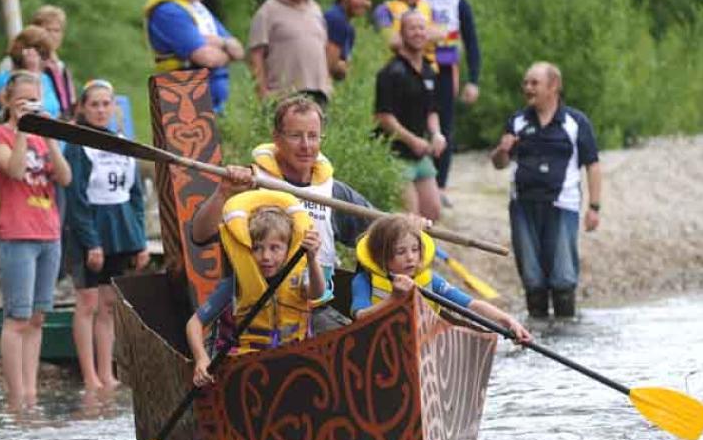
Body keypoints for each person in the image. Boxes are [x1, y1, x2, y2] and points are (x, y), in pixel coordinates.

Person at [192, 95, 373, 332]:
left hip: (313, 311)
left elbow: (383, 235)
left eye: (313, 136)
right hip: (256, 311)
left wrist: (408, 224)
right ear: (277, 138)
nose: (306, 146)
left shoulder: (334, 192)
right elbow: (200, 235)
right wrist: (222, 193)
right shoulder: (251, 182)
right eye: (296, 136)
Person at [0, 71, 72, 408]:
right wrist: (21, 129)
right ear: (7, 100)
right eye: (25, 101)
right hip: (17, 233)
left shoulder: (41, 138)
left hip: (49, 231)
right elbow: (16, 171)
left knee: (37, 318)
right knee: (17, 317)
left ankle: (31, 392)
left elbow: (65, 177)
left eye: (37, 100)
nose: (32, 106)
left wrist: (47, 135)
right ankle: (15, 396)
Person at [491, 62, 601, 319]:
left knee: (563, 277)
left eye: (534, 83)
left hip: (563, 205)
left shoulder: (576, 122)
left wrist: (594, 208)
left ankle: (566, 332)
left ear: (554, 86)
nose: (527, 88)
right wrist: (502, 149)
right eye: (526, 83)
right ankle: (536, 333)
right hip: (523, 206)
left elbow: (593, 166)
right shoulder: (517, 122)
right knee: (532, 277)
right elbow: (499, 164)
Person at [187, 191, 324, 386]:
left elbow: (317, 292)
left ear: (288, 248)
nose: (266, 256)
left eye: (274, 248)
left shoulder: (299, 278)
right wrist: (201, 359)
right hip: (247, 370)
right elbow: (194, 324)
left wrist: (312, 259)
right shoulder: (235, 285)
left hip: (293, 364)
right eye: (257, 248)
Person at [66, 79, 149, 392]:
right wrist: (91, 241)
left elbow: (137, 195)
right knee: (88, 300)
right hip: (91, 228)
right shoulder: (78, 144)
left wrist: (139, 240)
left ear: (114, 107)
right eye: (94, 105)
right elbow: (76, 196)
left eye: (106, 104)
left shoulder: (122, 141)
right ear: (83, 109)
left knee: (110, 303)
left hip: (121, 228)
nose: (101, 110)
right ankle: (90, 376)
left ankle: (107, 372)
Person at [351, 215, 531, 343]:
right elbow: (360, 317)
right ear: (381, 256)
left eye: (415, 250)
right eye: (401, 252)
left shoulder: (430, 280)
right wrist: (394, 299)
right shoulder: (363, 281)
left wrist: (508, 321)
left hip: (424, 346)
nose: (410, 258)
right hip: (379, 345)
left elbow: (471, 305)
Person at [144, 0, 245, 113]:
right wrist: (227, 54)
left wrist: (221, 42)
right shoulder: (169, 11)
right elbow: (207, 58)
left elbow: (239, 51)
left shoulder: (198, 9)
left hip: (210, 102)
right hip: (185, 101)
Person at [421, 0, 482, 205]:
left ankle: (441, 185)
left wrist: (473, 80)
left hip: (446, 60)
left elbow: (471, 40)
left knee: (445, 123)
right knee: (416, 118)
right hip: (418, 60)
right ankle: (417, 181)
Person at [375, 11, 447, 221]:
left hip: (420, 154)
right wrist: (413, 140)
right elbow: (383, 117)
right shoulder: (390, 72)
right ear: (402, 34)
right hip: (395, 153)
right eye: (412, 28)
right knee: (410, 217)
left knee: (433, 211)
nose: (418, 33)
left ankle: (424, 253)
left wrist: (437, 134)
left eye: (421, 28)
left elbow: (432, 111)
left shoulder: (428, 70)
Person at [248, 0, 330, 104]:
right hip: (283, 94)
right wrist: (262, 93)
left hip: (318, 93)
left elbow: (324, 50)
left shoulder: (316, 10)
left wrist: (328, 84)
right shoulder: (267, 11)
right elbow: (256, 55)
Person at [372, 0, 445, 64]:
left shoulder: (432, 9)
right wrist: (426, 36)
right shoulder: (384, 10)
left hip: (431, 69)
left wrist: (406, 36)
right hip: (398, 69)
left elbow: (442, 35)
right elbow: (392, 41)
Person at [0, 26, 62, 119]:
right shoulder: (3, 79)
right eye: (34, 49)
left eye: (41, 52)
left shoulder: (46, 79)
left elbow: (56, 111)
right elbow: (10, 114)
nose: (36, 55)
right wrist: (31, 69)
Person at [31, 5, 77, 120]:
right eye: (47, 30)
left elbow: (71, 102)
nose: (51, 35)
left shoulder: (62, 67)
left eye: (56, 30)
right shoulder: (29, 62)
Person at [324, 0, 373, 81]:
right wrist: (340, 66)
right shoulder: (336, 19)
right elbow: (327, 66)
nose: (364, 3)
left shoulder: (349, 28)